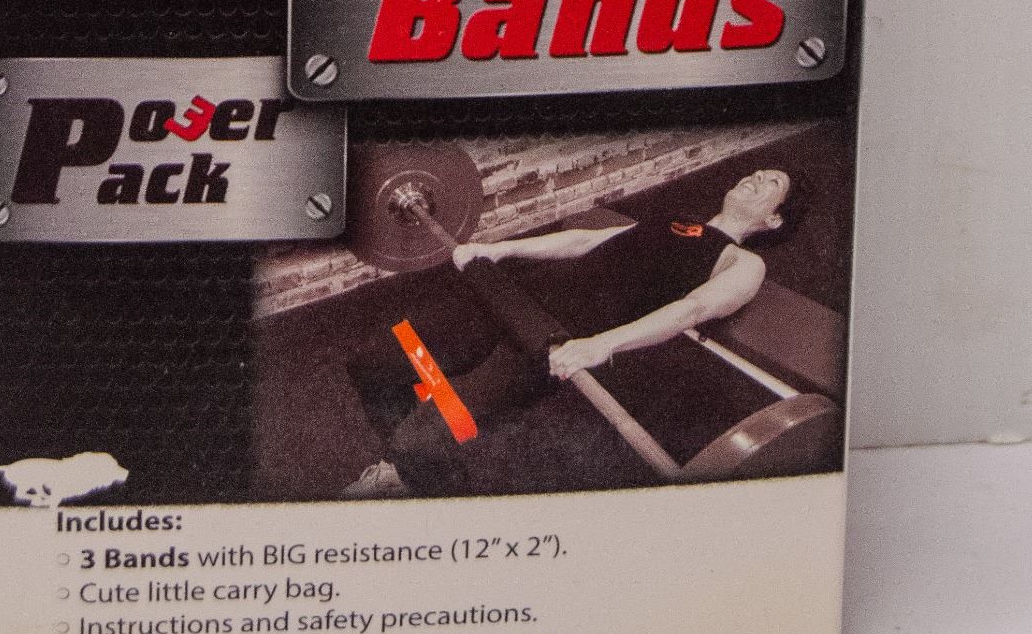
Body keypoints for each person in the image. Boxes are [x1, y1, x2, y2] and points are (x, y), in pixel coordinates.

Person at [341, 166, 799, 498]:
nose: (756, 177)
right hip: (515, 302)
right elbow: (584, 239)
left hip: (550, 339)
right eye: (758, 172)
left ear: (774, 219)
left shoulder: (744, 262)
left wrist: (601, 346)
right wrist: (497, 250)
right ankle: (406, 469)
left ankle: (422, 480)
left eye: (772, 183)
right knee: (376, 362)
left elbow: (691, 310)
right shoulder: (674, 220)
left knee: (423, 437)